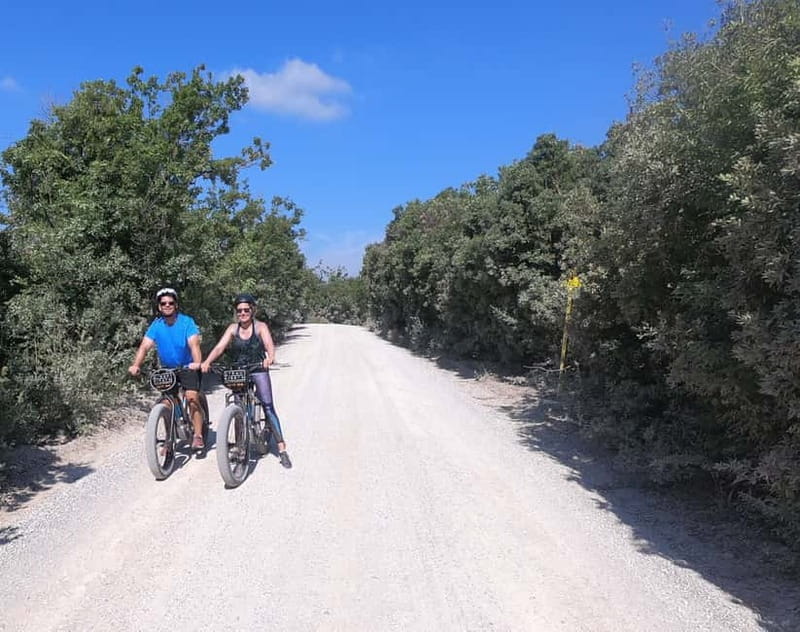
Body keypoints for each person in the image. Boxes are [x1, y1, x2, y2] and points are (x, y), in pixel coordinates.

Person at [202, 293, 292, 469]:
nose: (242, 313)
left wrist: (270, 357)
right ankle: (240, 444)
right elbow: (220, 347)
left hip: (258, 368)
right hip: (239, 371)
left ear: (252, 310)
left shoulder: (260, 327)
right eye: (239, 311)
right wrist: (207, 361)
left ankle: (282, 448)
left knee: (267, 405)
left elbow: (269, 345)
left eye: (246, 310)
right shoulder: (232, 329)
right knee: (238, 406)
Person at [129, 288, 207, 451]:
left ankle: (198, 435)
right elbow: (144, 346)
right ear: (159, 307)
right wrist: (136, 365)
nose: (167, 305)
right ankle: (169, 439)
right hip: (167, 370)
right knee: (166, 403)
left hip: (187, 366)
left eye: (171, 303)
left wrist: (197, 363)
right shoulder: (156, 325)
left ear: (176, 305)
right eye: (163, 303)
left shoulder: (186, 322)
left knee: (191, 398)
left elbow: (194, 345)